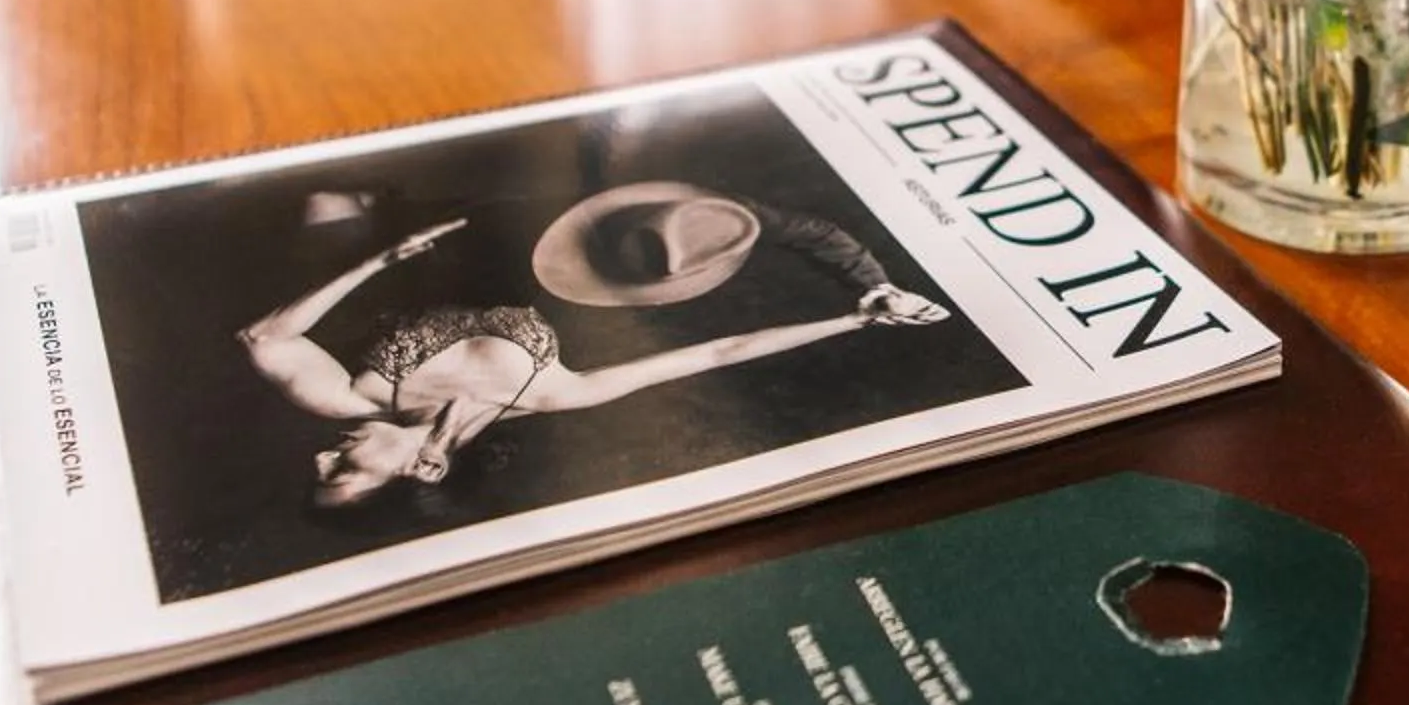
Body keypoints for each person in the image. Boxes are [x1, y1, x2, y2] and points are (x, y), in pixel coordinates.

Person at [237, 183, 949, 508]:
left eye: (327, 462)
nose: (323, 453)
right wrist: (861, 319)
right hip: (552, 255)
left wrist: (381, 259)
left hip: (434, 237)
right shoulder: (554, 395)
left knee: (324, 202)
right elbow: (716, 354)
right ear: (425, 473)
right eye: (341, 472)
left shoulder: (344, 397)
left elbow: (265, 335)